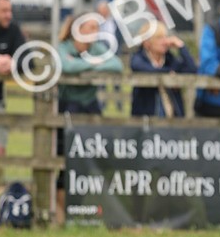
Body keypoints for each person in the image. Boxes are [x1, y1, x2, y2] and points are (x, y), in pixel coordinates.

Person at [56, 13, 123, 221]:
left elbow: (117, 65)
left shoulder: (96, 49)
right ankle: (62, 214)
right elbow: (67, 66)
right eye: (91, 27)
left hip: (90, 107)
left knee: (94, 157)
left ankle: (83, 211)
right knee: (65, 160)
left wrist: (88, 63)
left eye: (97, 28)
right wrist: (95, 63)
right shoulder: (64, 48)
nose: (96, 32)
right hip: (68, 107)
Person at [130, 21, 196, 117]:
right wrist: (169, 73)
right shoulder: (139, 58)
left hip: (173, 118)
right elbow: (145, 69)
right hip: (146, 119)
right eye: (159, 38)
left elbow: (192, 69)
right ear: (147, 42)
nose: (165, 41)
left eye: (165, 37)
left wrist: (181, 46)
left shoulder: (170, 60)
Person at [0, 0, 28, 166]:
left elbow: (28, 60)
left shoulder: (13, 29)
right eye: (4, 10)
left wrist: (12, 63)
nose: (9, 15)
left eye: (10, 10)